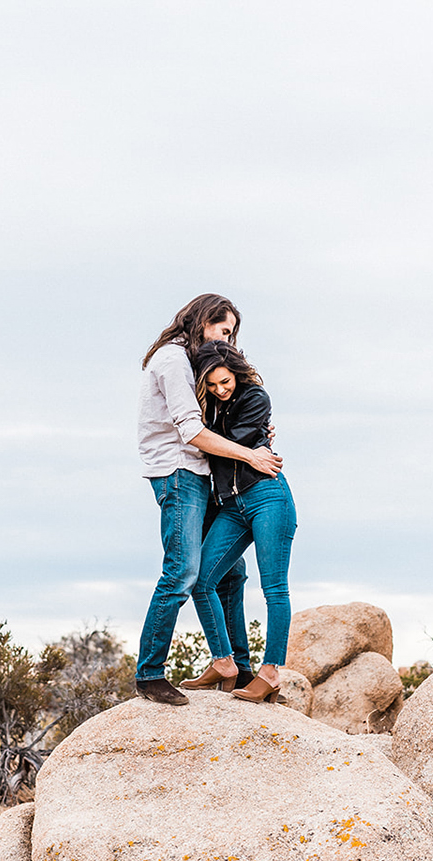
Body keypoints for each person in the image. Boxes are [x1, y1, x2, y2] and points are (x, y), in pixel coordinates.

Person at [135, 294, 283, 705]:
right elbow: (190, 430)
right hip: (179, 473)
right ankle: (149, 673)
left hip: (204, 474)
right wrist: (251, 453)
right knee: (182, 570)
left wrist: (256, 434)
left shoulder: (196, 365)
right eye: (224, 330)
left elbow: (220, 420)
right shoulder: (172, 360)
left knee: (232, 577)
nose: (229, 340)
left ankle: (239, 669)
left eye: (231, 334)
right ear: (204, 323)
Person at [182, 341, 296, 703]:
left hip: (267, 496)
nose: (220, 389)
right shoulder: (209, 406)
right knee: (201, 581)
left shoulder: (255, 397)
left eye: (225, 381)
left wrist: (204, 436)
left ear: (235, 371)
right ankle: (224, 661)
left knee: (274, 589)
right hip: (232, 505)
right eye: (212, 384)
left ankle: (270, 672)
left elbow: (225, 444)